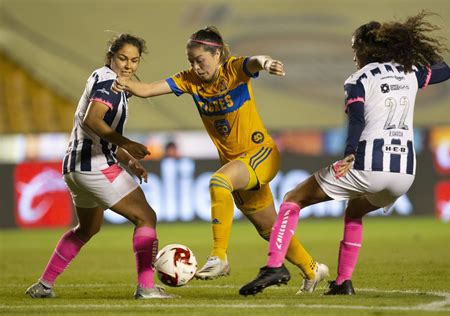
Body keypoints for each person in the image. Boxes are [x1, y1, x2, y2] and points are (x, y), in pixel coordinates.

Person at [240, 11, 450, 296]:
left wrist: (349, 154)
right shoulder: (410, 71)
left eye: (355, 48)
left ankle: (274, 265)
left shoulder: (359, 78)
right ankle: (342, 282)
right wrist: (413, 48)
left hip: (369, 166)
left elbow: (356, 119)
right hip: (404, 173)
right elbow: (445, 70)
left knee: (292, 199)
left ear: (366, 49)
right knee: (354, 211)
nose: (354, 55)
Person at [113, 26, 328, 293]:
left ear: (216, 55)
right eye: (191, 60)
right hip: (236, 162)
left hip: (260, 153)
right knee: (268, 228)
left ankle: (219, 256)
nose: (195, 66)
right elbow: (146, 89)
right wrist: (118, 80)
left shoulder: (233, 69)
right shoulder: (189, 80)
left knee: (219, 182)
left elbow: (254, 62)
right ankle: (312, 269)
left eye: (200, 60)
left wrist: (267, 62)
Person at [25, 34, 174, 299]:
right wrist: (128, 143)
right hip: (93, 166)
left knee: (87, 229)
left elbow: (98, 133)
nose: (128, 66)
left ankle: (44, 285)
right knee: (146, 217)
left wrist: (129, 159)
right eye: (122, 58)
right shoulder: (109, 81)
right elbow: (92, 120)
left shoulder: (102, 79)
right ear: (111, 57)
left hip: (74, 168)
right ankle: (146, 288)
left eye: (134, 60)